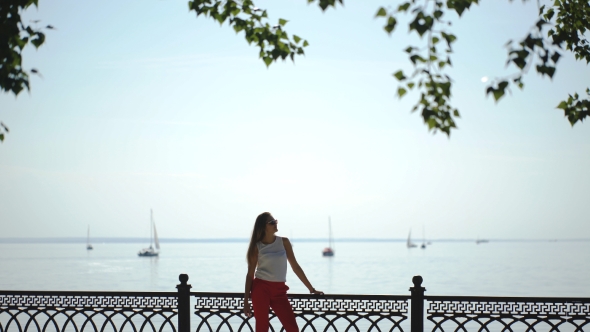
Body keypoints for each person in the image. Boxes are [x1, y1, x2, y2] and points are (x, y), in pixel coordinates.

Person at [244, 212, 324, 332]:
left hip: (279, 291)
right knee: (262, 328)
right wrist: (246, 301)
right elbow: (250, 274)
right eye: (271, 222)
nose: (275, 223)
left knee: (292, 328)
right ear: (263, 226)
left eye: (275, 221)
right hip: (261, 289)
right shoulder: (257, 246)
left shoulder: (284, 242)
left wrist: (311, 289)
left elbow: (295, 267)